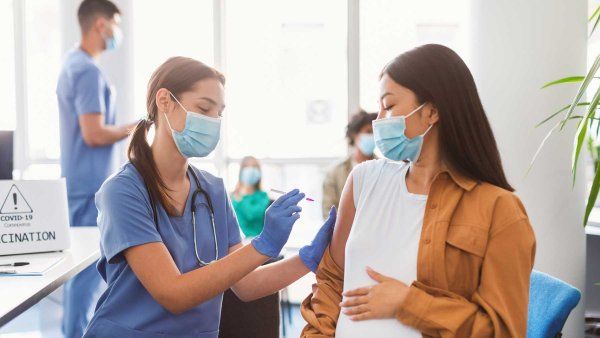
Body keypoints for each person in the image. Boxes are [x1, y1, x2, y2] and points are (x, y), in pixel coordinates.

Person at [82, 56, 336, 337]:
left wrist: (311, 256)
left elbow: (247, 284)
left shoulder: (212, 190)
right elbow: (172, 293)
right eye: (204, 108)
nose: (213, 122)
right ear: (164, 101)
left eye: (219, 113)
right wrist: (262, 245)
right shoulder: (123, 191)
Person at [301, 44, 536, 337]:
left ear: (432, 111)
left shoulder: (500, 210)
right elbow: (331, 281)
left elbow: (502, 330)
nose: (379, 120)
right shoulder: (362, 180)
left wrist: (407, 303)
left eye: (389, 105)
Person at [55, 0, 137, 336]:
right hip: (89, 186)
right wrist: (134, 128)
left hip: (81, 183)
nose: (119, 32)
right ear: (101, 25)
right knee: (85, 274)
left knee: (81, 274)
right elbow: (93, 133)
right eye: (116, 24)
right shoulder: (87, 70)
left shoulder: (73, 64)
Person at [322, 110, 377, 219]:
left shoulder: (385, 168)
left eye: (376, 132)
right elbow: (328, 213)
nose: (373, 136)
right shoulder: (335, 172)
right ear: (354, 134)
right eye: (368, 131)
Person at [231, 156, 271, 238]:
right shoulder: (231, 197)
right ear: (241, 171)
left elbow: (251, 215)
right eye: (247, 167)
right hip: (236, 245)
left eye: (254, 167)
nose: (251, 170)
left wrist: (243, 194)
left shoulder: (262, 196)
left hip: (257, 243)